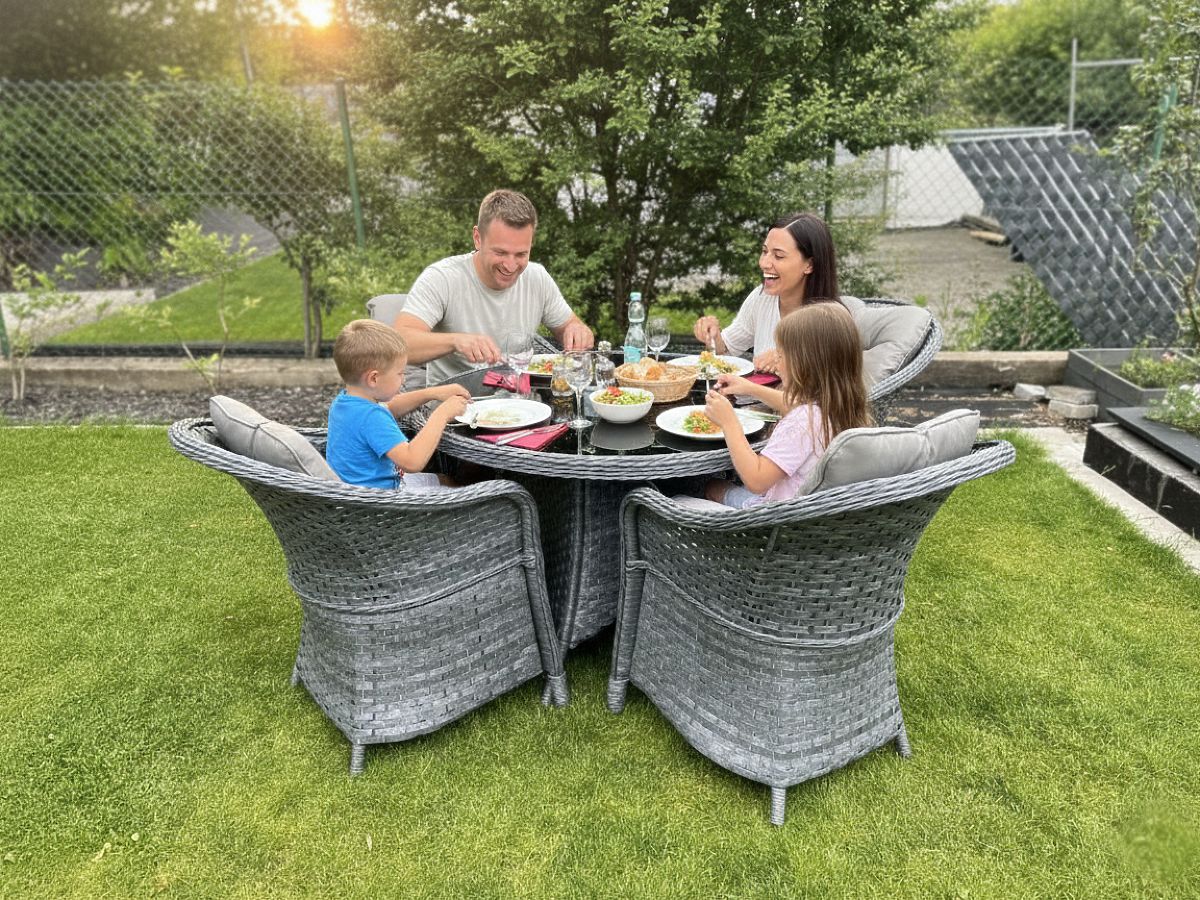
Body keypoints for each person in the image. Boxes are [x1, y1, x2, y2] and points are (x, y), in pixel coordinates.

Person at [395, 189, 594, 384]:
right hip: (455, 401)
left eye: (521, 254)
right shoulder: (442, 278)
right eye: (500, 253)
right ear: (477, 238)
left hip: (522, 398)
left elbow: (570, 326)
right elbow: (398, 346)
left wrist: (576, 331)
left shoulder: (537, 278)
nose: (510, 266)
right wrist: (456, 341)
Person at [695, 302, 871, 509]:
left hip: (771, 517)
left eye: (780, 355)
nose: (776, 363)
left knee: (706, 488)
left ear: (805, 364)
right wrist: (750, 388)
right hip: (812, 510)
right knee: (716, 486)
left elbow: (756, 480)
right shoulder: (843, 406)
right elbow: (798, 407)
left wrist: (729, 422)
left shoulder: (802, 422)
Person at [326, 319, 470, 490]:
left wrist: (432, 393)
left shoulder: (345, 402)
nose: (404, 379)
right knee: (459, 488)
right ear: (374, 378)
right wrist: (442, 414)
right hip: (383, 499)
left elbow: (390, 407)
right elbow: (412, 461)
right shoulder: (372, 417)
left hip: (358, 491)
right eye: (400, 373)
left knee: (445, 480)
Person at [692, 211, 842, 375]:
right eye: (764, 251)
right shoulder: (761, 297)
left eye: (778, 256)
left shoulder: (831, 322)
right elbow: (726, 350)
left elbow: (825, 387)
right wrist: (713, 336)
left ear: (809, 265)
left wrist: (786, 358)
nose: (764, 263)